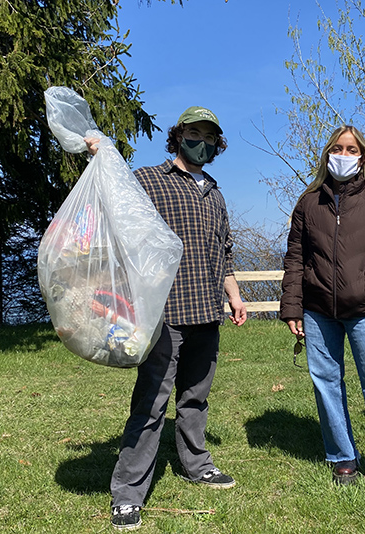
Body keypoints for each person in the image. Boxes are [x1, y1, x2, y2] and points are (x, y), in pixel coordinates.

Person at [86, 106, 247, 531]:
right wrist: (101, 153)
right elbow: (116, 202)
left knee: (195, 398)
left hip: (206, 311)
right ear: (178, 136)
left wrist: (233, 296)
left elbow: (224, 252)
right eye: (194, 132)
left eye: (210, 137)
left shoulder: (214, 191)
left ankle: (197, 465)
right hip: (164, 314)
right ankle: (127, 492)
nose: (202, 141)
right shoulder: (150, 180)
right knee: (151, 404)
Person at [279, 125, 365, 502]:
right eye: (337, 148)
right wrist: (292, 306)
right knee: (326, 382)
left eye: (351, 149)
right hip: (319, 310)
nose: (343, 154)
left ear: (362, 157)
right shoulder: (309, 203)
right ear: (327, 155)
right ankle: (343, 456)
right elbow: (295, 258)